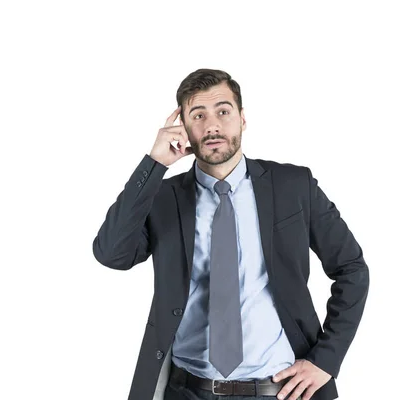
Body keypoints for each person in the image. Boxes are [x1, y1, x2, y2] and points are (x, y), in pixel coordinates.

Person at [92, 68, 369, 400]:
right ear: (182, 127)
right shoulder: (163, 198)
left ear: (242, 119)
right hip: (188, 391)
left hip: (281, 390)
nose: (212, 125)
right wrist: (154, 163)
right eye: (198, 115)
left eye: (223, 111)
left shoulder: (293, 186)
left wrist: (326, 360)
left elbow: (351, 268)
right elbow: (111, 254)